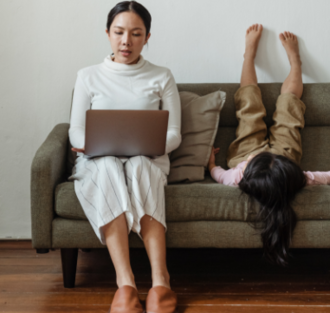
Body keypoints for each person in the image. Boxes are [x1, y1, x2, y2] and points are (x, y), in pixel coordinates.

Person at [208, 24, 330, 266]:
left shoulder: (238, 175)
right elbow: (329, 176)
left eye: (247, 167)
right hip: (283, 157)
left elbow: (218, 175)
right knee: (289, 107)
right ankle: (296, 63)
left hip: (247, 154)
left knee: (248, 107)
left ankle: (248, 55)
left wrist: (211, 162)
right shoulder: (295, 176)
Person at [69, 1, 180, 312]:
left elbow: (174, 134)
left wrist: (148, 146)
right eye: (118, 32)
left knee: (141, 166)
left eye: (135, 33)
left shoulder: (162, 76)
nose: (126, 41)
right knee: (106, 167)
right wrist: (92, 144)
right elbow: (76, 130)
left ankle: (161, 280)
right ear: (108, 34)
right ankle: (125, 283)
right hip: (99, 158)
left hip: (148, 156)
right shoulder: (88, 76)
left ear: (147, 37)